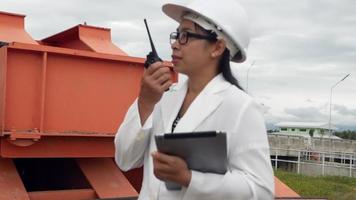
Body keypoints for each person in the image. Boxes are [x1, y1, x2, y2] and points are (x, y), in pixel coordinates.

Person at [114, 0, 274, 199]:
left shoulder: (241, 107)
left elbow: (261, 191)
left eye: (185, 36)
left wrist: (190, 178)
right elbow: (125, 159)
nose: (174, 44)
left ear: (217, 47)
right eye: (176, 34)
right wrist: (145, 102)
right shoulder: (162, 97)